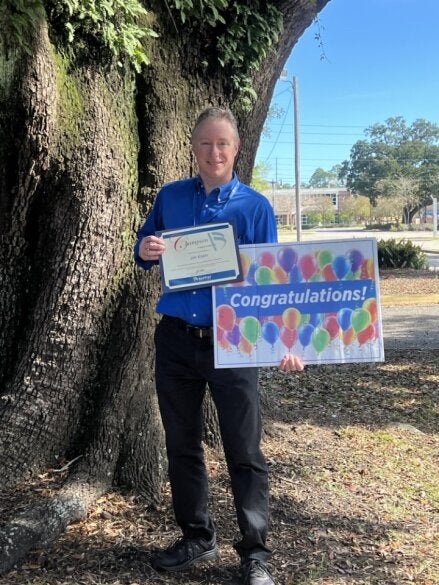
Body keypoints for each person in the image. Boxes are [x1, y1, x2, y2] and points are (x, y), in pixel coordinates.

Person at [134, 106, 303, 585]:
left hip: (235, 343)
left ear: (236, 149)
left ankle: (256, 554)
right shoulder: (171, 197)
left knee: (244, 449)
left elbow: (271, 283)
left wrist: (285, 340)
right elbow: (146, 246)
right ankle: (196, 537)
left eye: (222, 144)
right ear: (193, 148)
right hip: (174, 340)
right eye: (205, 143)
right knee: (181, 445)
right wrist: (146, 248)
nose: (214, 152)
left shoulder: (254, 207)